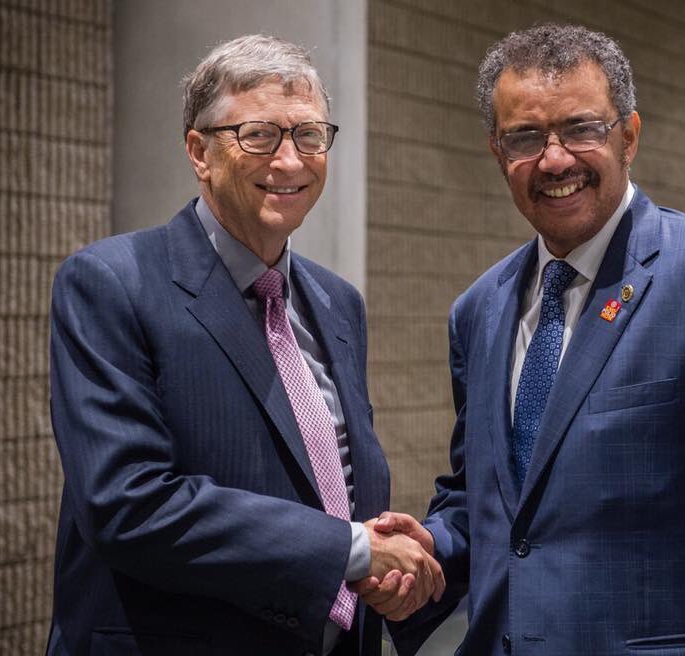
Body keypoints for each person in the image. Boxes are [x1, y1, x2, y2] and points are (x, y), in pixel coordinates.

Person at [378, 23, 685, 655]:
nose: (554, 160)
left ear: (628, 136)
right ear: (499, 153)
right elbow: (496, 504)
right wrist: (432, 545)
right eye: (525, 137)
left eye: (581, 128)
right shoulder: (480, 310)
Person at [46, 35, 441, 656]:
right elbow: (127, 503)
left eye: (309, 136)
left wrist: (387, 566)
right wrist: (351, 551)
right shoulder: (111, 283)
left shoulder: (340, 303)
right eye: (259, 136)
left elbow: (329, 476)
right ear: (199, 151)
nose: (290, 161)